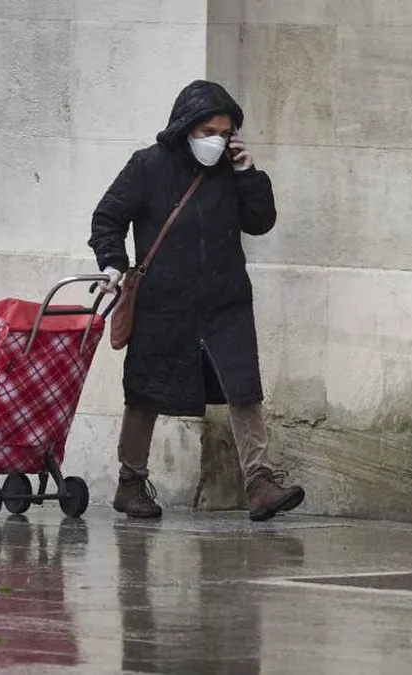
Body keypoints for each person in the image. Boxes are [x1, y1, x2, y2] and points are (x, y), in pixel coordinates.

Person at [87, 80, 305, 522]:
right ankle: (131, 482)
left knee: (244, 389)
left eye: (225, 133)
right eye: (208, 132)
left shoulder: (231, 171)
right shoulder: (148, 165)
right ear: (186, 127)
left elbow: (260, 222)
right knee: (145, 391)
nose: (216, 141)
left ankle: (259, 481)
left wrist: (248, 173)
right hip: (163, 303)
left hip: (225, 301)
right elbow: (107, 217)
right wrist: (112, 263)